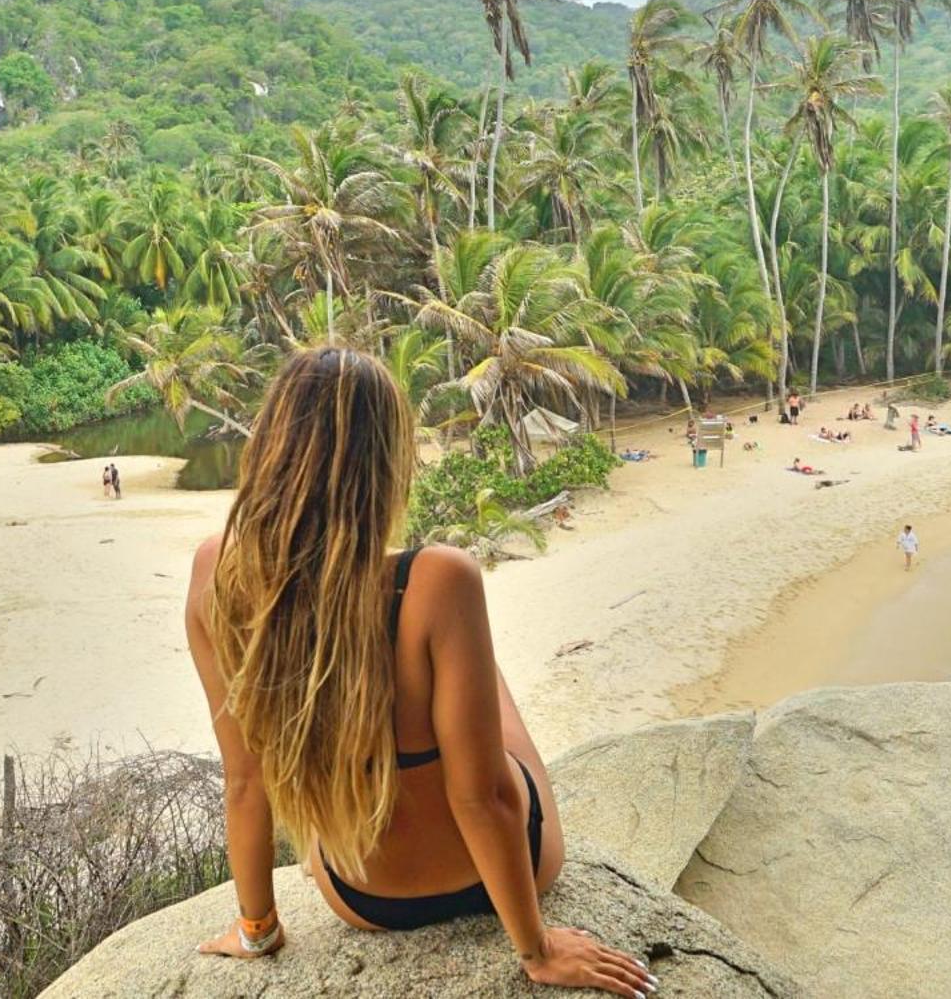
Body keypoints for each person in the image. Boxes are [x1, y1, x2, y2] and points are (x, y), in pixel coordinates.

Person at [184, 348, 652, 993]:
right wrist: (537, 950)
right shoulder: (435, 577)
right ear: (387, 459)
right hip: (511, 876)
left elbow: (245, 781)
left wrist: (256, 927)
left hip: (367, 897)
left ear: (269, 446)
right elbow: (481, 795)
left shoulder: (218, 572)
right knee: (480, 676)